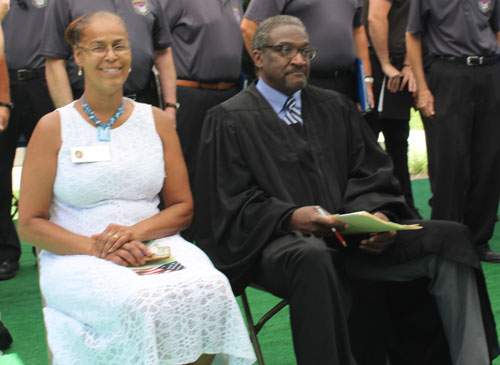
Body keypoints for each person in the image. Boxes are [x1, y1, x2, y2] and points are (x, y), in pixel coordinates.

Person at [193, 15, 499, 364]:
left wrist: (378, 216)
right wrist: (291, 216)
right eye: (285, 50)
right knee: (312, 257)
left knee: (451, 238)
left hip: (353, 240)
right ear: (259, 57)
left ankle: (470, 360)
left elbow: (371, 173)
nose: (298, 59)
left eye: (305, 51)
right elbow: (227, 201)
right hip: (278, 244)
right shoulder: (228, 119)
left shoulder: (334, 107)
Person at [17, 11, 255, 364]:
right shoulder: (53, 127)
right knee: (141, 301)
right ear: (78, 57)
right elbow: (30, 223)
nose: (111, 56)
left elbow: (182, 208)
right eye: (98, 47)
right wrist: (97, 247)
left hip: (153, 241)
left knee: (212, 288)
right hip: (78, 252)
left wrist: (133, 234)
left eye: (119, 46)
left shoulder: (156, 121)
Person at [406, 0, 500, 262]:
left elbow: (496, 30)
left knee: (489, 159)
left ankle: (478, 241)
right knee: (450, 162)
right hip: (449, 73)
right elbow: (412, 35)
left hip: (490, 72)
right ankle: (444, 242)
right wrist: (423, 88)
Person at [40, 0, 178, 123]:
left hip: (143, 102)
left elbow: (163, 52)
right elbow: (55, 61)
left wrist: (170, 107)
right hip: (88, 109)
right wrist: (70, 118)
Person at [0, 0, 56, 282]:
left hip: (42, 83)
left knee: (50, 171)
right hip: (2, 82)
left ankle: (46, 245)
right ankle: (5, 252)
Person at [165, 0, 243, 187]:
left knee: (228, 168)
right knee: (190, 167)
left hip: (230, 94)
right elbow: (157, 38)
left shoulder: (236, 2)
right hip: (191, 94)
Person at [241, 0, 374, 104]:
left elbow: (358, 30)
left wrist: (366, 81)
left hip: (346, 84)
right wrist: (271, 74)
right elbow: (250, 27)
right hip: (299, 84)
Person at [363, 0, 420, 216]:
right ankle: (373, 207)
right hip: (378, 64)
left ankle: (404, 208)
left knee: (397, 140)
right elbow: (375, 18)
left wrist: (408, 63)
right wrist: (386, 63)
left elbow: (414, 24)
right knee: (369, 142)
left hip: (399, 64)